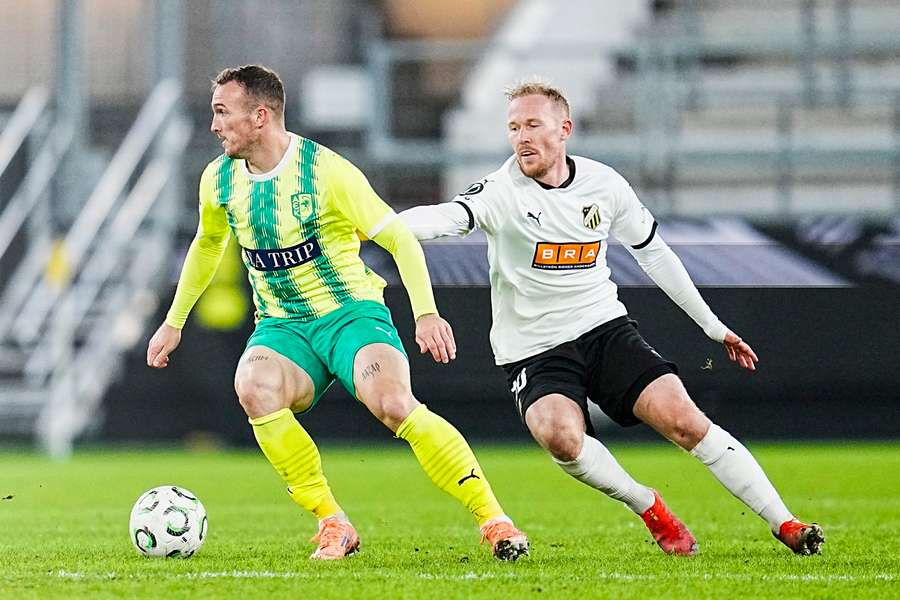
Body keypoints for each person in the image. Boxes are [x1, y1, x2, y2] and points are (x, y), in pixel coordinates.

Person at [400, 80, 824, 556]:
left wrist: (712, 325)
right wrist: (379, 225)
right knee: (559, 437)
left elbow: (655, 255)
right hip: (534, 348)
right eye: (514, 127)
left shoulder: (605, 184)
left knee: (685, 421)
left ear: (564, 130)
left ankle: (786, 523)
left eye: (533, 125)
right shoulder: (502, 191)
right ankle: (649, 507)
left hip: (603, 327)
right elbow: (444, 218)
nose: (522, 137)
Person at [146, 65, 528, 561]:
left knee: (392, 403)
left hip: (351, 314)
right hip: (283, 328)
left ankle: (494, 520)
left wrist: (427, 313)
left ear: (260, 116)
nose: (215, 125)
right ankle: (333, 523)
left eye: (223, 112)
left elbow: (398, 238)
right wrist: (173, 322)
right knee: (253, 387)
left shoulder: (326, 172)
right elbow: (207, 244)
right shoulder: (218, 179)